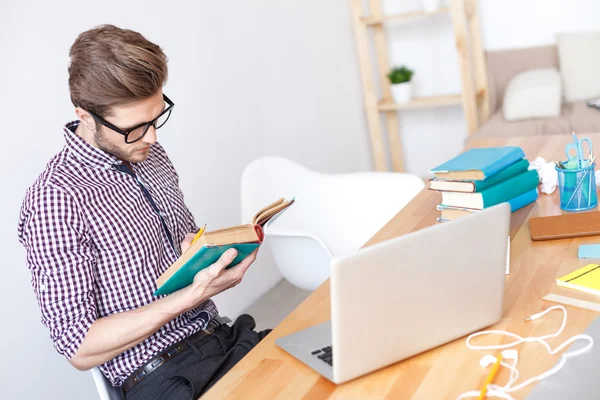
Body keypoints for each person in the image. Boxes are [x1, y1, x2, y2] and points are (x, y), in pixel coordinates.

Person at [17, 24, 270, 400]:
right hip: (162, 378)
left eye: (156, 118)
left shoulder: (152, 157)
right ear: (85, 116)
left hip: (220, 338)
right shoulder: (56, 199)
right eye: (135, 128)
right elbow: (79, 347)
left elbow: (173, 261)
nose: (152, 138)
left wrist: (200, 255)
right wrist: (187, 298)